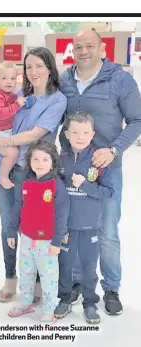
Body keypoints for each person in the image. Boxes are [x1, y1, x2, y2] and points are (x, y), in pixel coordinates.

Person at [58, 29, 141, 315]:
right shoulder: (65, 79)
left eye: (89, 46)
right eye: (78, 46)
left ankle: (111, 289)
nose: (83, 51)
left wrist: (114, 149)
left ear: (102, 48)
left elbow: (137, 119)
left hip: (106, 169)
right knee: (77, 227)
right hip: (71, 167)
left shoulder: (120, 79)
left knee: (106, 231)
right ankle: (80, 282)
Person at [0, 47, 67, 304]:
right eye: (29, 67)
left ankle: (37, 281)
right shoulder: (18, 94)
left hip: (35, 175)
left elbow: (35, 135)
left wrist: (0, 143)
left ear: (50, 68)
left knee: (35, 229)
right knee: (8, 224)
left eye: (39, 66)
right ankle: (11, 278)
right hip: (6, 168)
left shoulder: (57, 100)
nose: (33, 71)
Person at [55, 111, 114, 324]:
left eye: (85, 132)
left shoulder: (99, 160)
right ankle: (64, 298)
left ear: (92, 134)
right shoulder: (60, 160)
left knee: (89, 266)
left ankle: (90, 302)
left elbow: (108, 192)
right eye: (75, 132)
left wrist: (86, 186)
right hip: (66, 227)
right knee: (65, 265)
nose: (80, 136)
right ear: (67, 135)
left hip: (90, 225)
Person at [7, 141, 70, 325]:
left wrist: (57, 241)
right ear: (29, 161)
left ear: (53, 162)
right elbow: (17, 206)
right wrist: (12, 231)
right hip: (26, 239)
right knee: (26, 273)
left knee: (49, 278)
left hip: (48, 242)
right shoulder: (24, 182)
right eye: (35, 159)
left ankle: (49, 310)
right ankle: (26, 303)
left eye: (45, 159)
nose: (40, 163)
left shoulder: (56, 185)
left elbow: (62, 215)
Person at [0, 62, 27, 189]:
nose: (9, 82)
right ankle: (3, 177)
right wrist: (17, 105)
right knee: (12, 152)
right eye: (4, 78)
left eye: (13, 78)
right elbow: (1, 114)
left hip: (5, 131)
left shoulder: (11, 94)